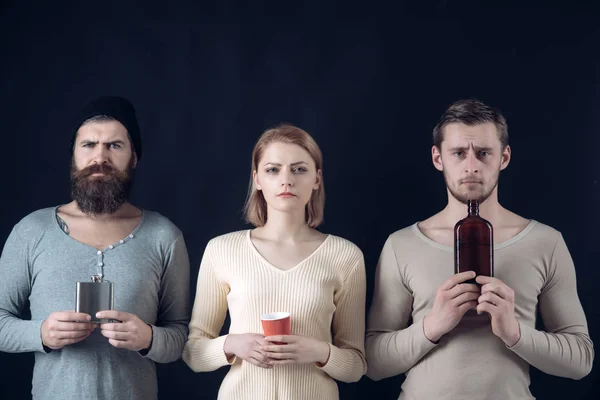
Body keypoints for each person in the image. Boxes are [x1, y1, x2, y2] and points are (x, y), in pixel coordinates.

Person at [365, 99, 594, 399]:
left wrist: (514, 332)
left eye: (484, 153)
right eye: (459, 153)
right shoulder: (401, 244)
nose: (471, 166)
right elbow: (372, 362)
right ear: (438, 158)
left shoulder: (546, 242)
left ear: (504, 157)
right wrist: (432, 326)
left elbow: (580, 360)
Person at [0, 96, 190, 400]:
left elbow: (181, 337)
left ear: (134, 157)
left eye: (114, 146)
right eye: (88, 145)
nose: (99, 157)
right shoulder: (30, 231)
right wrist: (41, 334)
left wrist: (149, 338)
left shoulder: (164, 236)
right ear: (74, 155)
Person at [183, 124, 367, 399]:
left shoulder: (345, 256)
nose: (286, 180)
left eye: (299, 169)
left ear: (317, 178)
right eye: (273, 169)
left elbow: (356, 366)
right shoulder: (221, 250)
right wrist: (233, 345)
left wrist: (319, 351)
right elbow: (193, 353)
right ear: (257, 179)